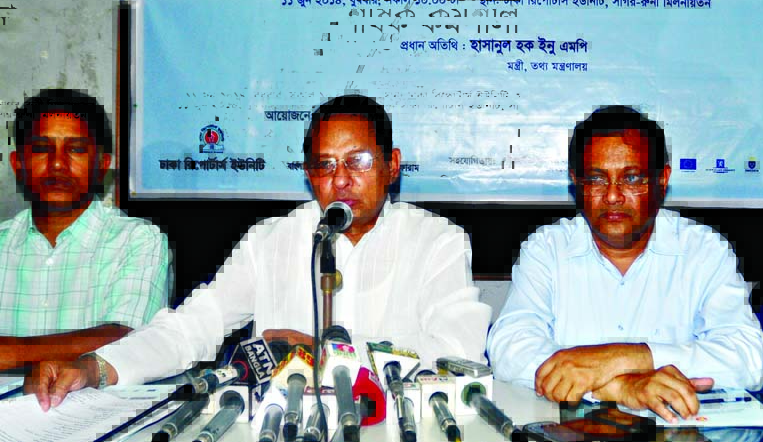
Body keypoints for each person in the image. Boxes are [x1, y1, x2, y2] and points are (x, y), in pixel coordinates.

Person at [28, 94, 491, 410]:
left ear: (391, 166)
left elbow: (457, 353)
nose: (341, 179)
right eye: (324, 165)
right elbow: (192, 327)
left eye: (359, 162)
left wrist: (324, 353)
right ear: (307, 173)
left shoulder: (436, 241)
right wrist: (97, 367)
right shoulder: (271, 239)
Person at [487, 106, 763, 422]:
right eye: (596, 179)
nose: (612, 197)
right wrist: (620, 387)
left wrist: (626, 358)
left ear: (662, 179)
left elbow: (749, 357)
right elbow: (509, 350)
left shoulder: (702, 250)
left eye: (632, 178)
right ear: (575, 182)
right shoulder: (548, 249)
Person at [0, 89, 168, 369]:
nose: (57, 164)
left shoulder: (137, 240)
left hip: (99, 410)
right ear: (18, 165)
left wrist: (15, 351)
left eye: (76, 149)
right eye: (42, 148)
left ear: (102, 166)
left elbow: (131, 340)